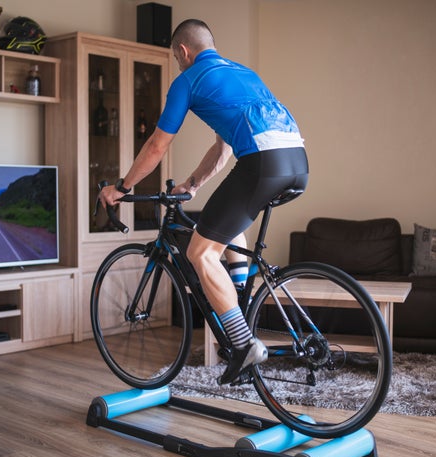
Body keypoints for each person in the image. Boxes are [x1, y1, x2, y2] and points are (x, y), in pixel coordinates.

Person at [99, 19, 308, 384]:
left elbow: (157, 145)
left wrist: (122, 186)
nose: (178, 64)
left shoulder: (188, 80)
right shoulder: (242, 71)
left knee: (199, 254)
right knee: (228, 227)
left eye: (176, 58)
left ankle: (243, 345)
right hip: (297, 162)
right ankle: (240, 297)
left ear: (183, 51)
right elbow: (222, 147)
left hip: (262, 163)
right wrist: (193, 184)